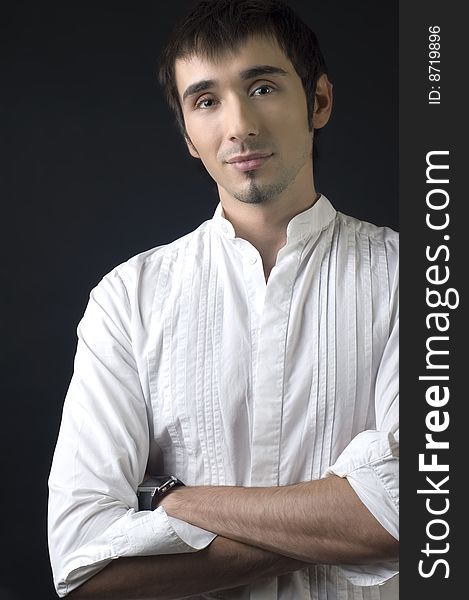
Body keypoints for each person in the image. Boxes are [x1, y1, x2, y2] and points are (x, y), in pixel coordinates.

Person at [48, 0, 399, 598]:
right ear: (188, 133)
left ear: (319, 102)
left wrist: (173, 500)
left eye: (261, 86)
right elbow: (83, 567)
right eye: (206, 100)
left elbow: (414, 510)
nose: (238, 126)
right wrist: (337, 517)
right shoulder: (127, 301)